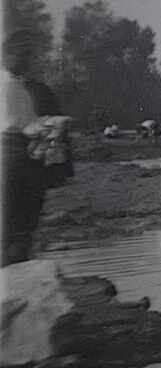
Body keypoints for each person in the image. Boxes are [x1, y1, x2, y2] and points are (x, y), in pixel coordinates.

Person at [1, 29, 46, 265]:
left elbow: (27, 123)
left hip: (20, 153)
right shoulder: (7, 86)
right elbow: (17, 126)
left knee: (21, 224)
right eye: (24, 54)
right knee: (16, 222)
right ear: (8, 54)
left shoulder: (19, 87)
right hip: (12, 155)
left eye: (30, 54)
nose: (28, 60)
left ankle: (17, 260)